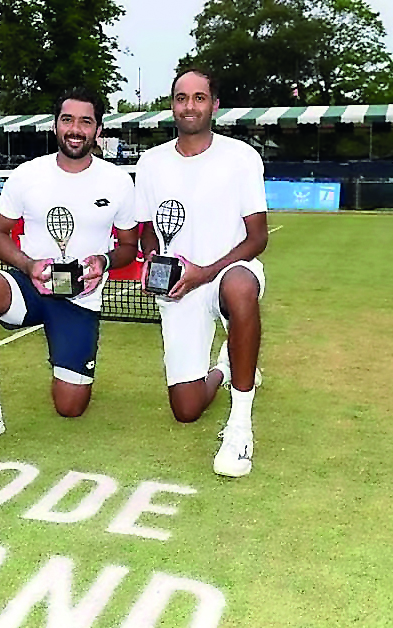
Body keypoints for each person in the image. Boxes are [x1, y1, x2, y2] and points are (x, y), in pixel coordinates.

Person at [0, 88, 138, 450]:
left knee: (70, 407)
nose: (75, 129)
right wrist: (29, 264)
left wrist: (104, 261)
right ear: (55, 126)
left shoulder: (117, 182)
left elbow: (129, 246)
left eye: (86, 121)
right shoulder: (27, 174)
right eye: (67, 120)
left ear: (98, 130)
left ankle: (69, 356)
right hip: (29, 287)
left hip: (80, 300)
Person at [134, 68, 270, 478]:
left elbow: (257, 237)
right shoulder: (151, 162)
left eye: (198, 97)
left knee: (241, 286)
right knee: (186, 409)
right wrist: (154, 264)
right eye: (181, 97)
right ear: (172, 105)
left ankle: (240, 426)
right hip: (180, 288)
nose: (189, 105)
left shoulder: (241, 157)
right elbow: (145, 234)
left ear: (214, 105)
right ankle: (226, 367)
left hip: (228, 273)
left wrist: (206, 272)